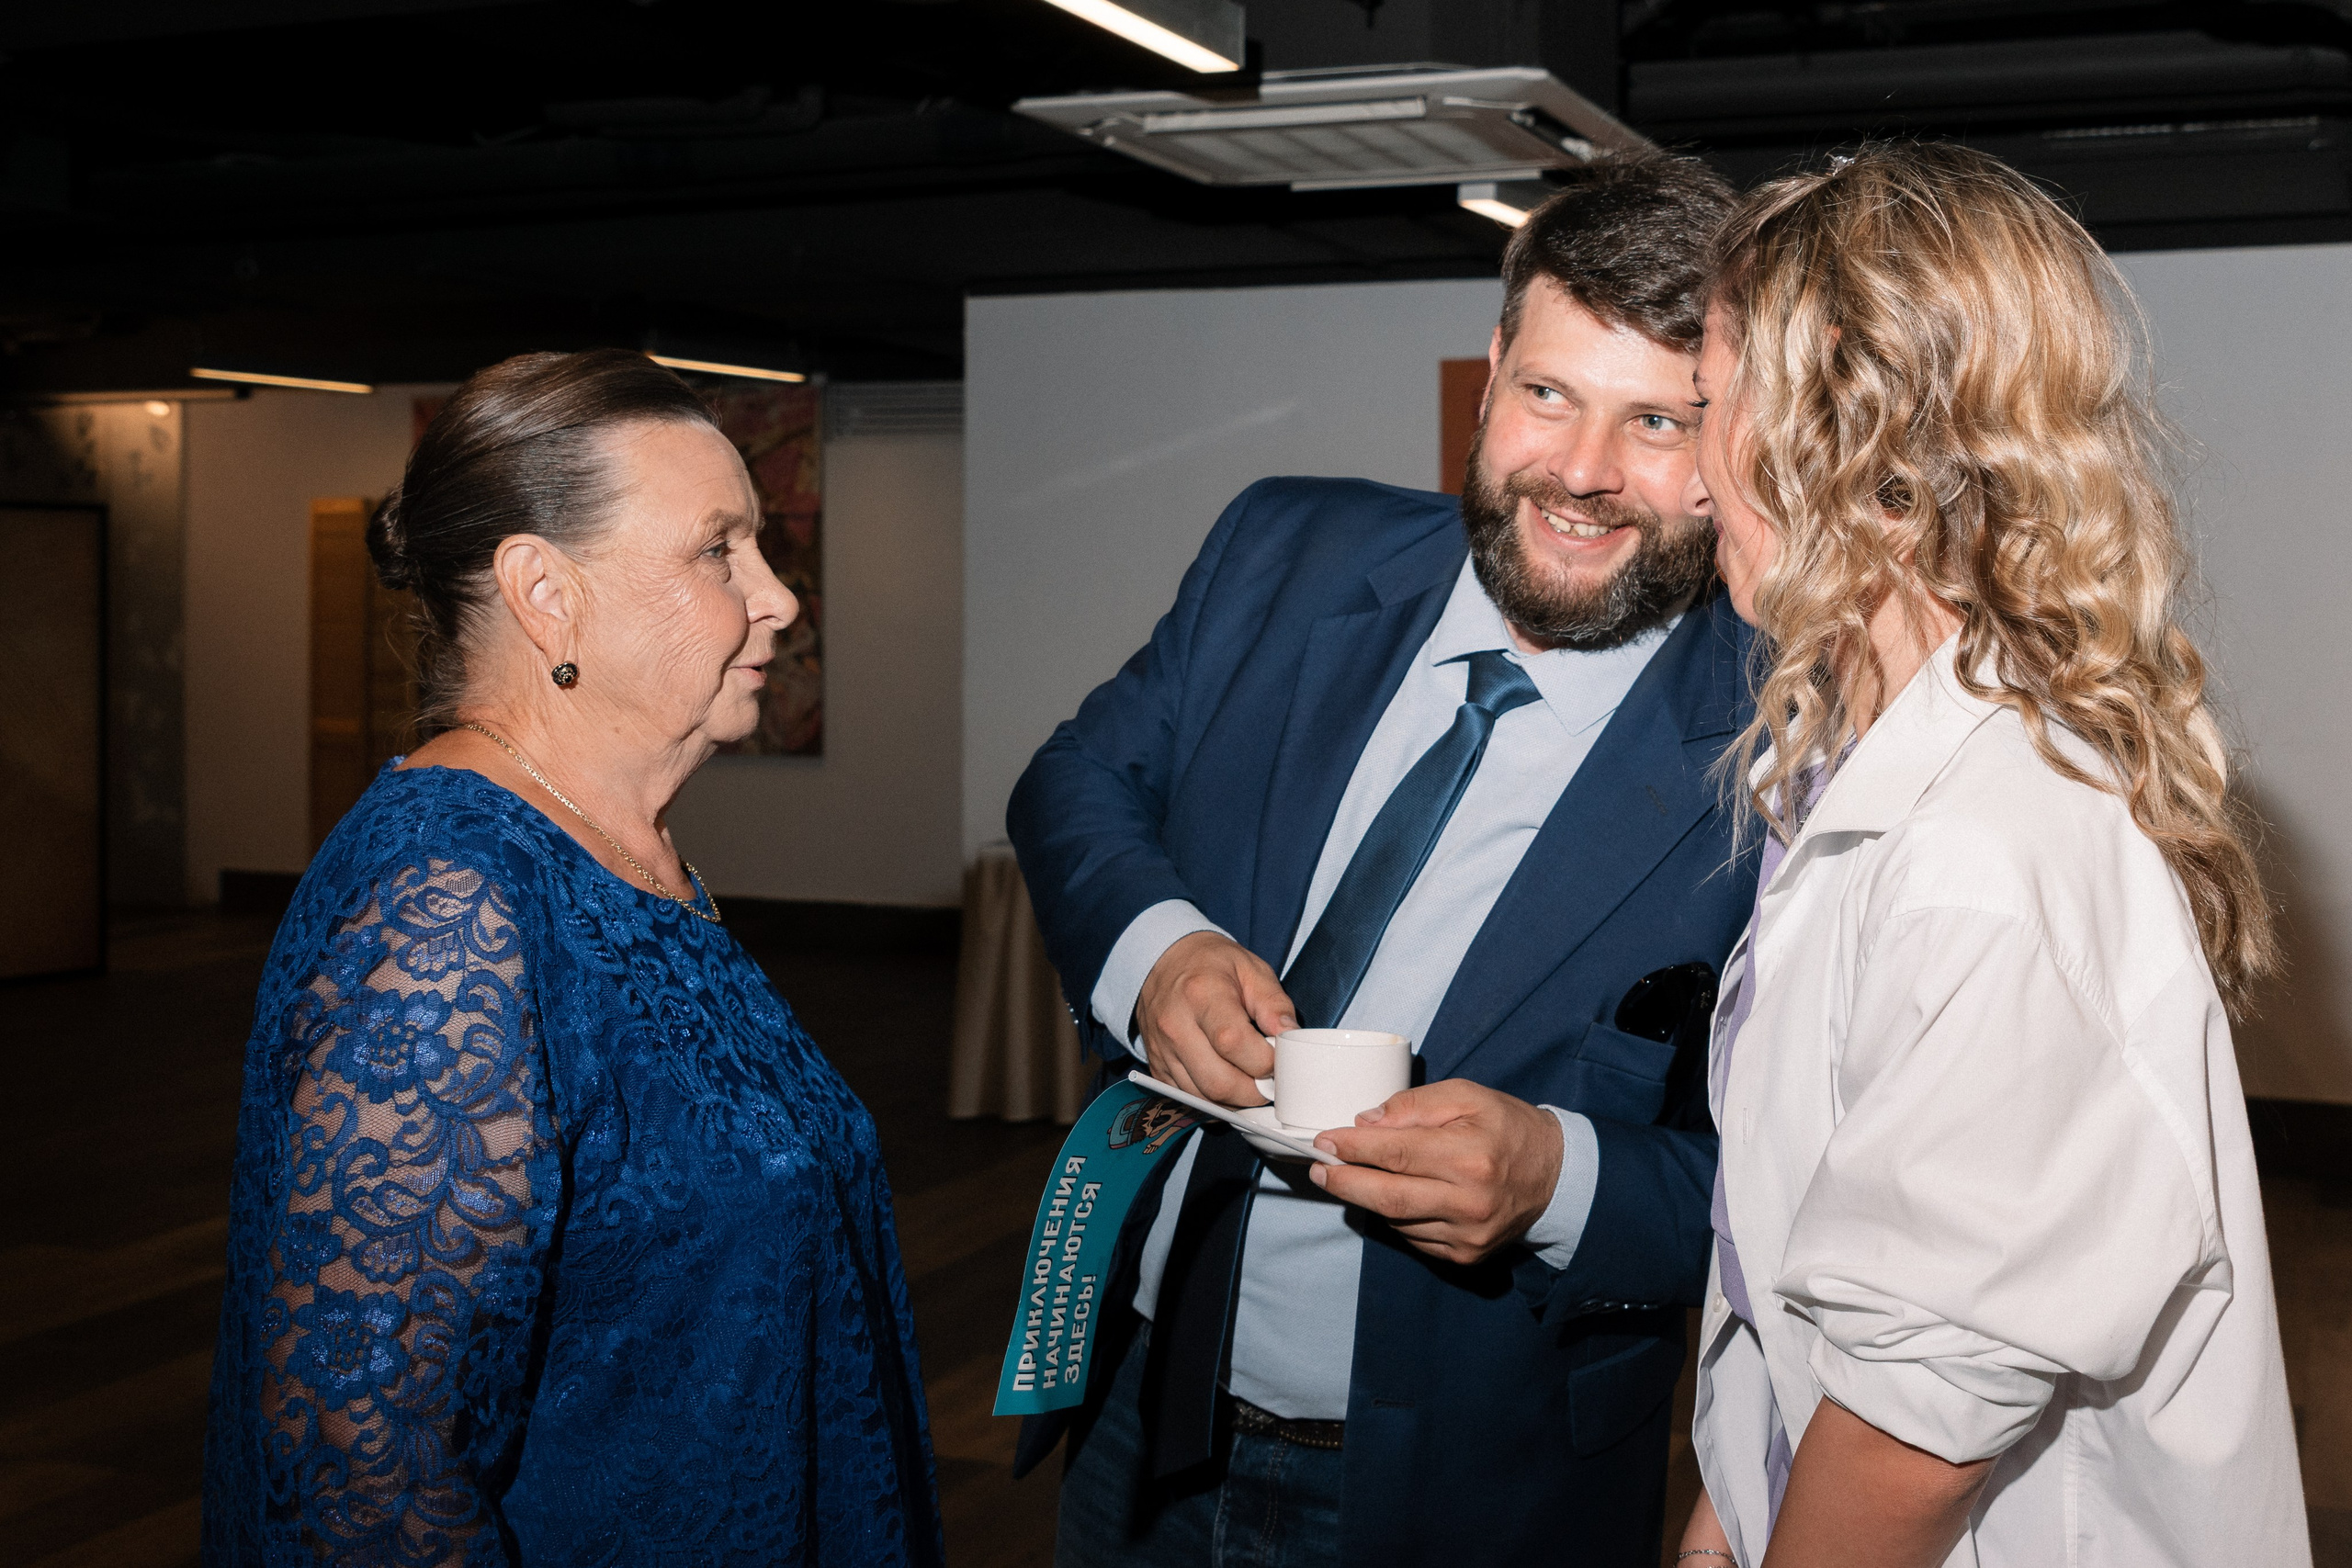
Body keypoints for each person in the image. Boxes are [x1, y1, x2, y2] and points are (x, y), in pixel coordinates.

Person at [1008, 155, 1758, 1567]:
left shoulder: (1787, 748)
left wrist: (1556, 1177)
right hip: (1134, 1395)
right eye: (1550, 394)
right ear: (1490, 372)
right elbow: (1079, 779)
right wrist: (1155, 947)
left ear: (1739, 451)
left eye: (1659, 419)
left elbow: (1810, 1193)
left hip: (1473, 1487)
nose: (1585, 474)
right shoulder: (1283, 548)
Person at [1675, 142, 2310, 1568]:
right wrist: (1739, 1483)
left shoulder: (1989, 852)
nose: (1694, 478)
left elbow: (1904, 1451)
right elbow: (1844, 1269)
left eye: (1706, 407)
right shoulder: (1880, 766)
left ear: (1827, 433)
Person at [202, 350, 943, 1566]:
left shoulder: (622, 854)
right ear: (547, 594)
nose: (780, 598)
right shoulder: (448, 900)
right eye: (718, 551)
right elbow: (365, 1464)